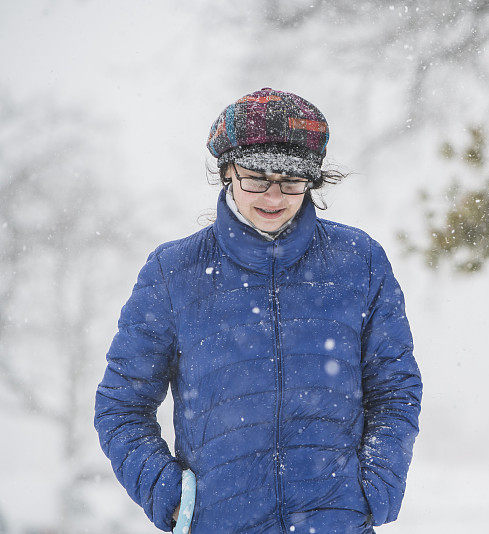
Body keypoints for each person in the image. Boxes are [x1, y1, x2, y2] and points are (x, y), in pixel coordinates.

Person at [93, 87, 423, 533]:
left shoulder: (358, 261)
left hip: (335, 522)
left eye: (292, 181)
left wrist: (374, 491)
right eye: (256, 179)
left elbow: (396, 389)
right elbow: (121, 406)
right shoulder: (173, 273)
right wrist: (175, 500)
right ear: (228, 171)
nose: (274, 197)